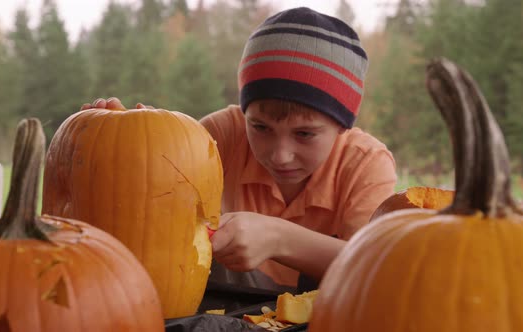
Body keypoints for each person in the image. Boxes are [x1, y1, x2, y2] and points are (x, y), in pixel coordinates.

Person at [82, 7, 397, 293]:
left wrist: (279, 238)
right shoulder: (222, 135)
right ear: (244, 114)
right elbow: (152, 191)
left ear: (343, 126)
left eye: (304, 134)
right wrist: (125, 138)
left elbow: (378, 268)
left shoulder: (367, 165)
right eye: (260, 127)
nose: (279, 154)